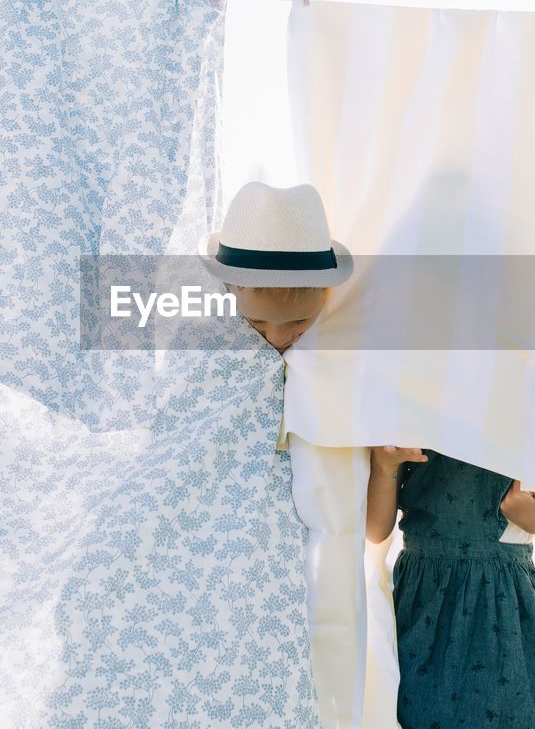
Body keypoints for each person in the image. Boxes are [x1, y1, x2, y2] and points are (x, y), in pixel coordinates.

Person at [198, 181, 369, 728]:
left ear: (323, 298)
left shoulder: (340, 351)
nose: (277, 338)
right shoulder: (210, 347)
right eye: (256, 324)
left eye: (296, 323)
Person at [366, 444, 535, 728]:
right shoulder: (411, 400)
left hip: (503, 601)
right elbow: (375, 529)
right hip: (424, 605)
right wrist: (385, 465)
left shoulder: (533, 400)